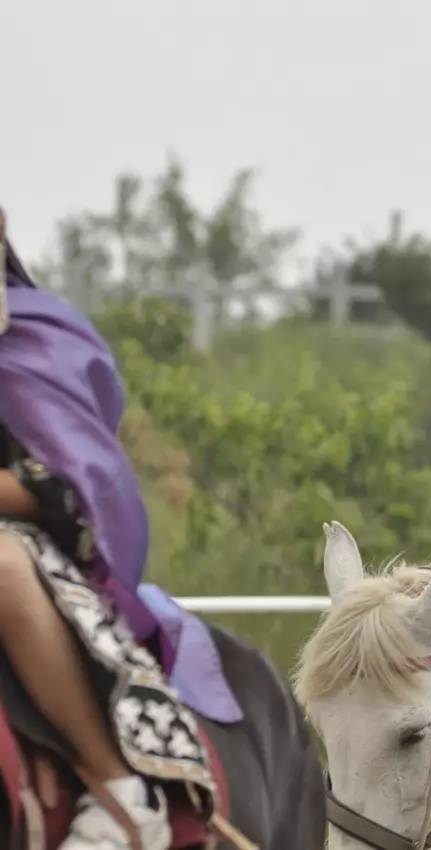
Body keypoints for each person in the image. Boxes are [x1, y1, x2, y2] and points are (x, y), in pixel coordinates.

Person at [0, 209, 223, 849]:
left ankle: (121, 788)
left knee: (2, 563)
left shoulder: (36, 342)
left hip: (29, 539)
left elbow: (67, 487)